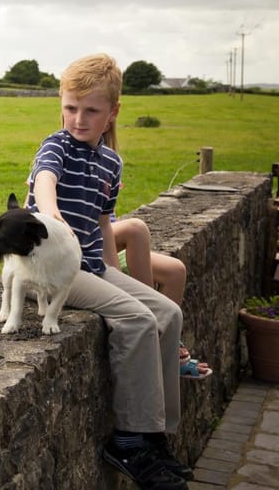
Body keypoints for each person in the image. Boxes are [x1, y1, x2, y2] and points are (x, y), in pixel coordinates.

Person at [26, 53, 192, 490]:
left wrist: (115, 275)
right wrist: (52, 217)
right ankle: (129, 442)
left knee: (167, 315)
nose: (78, 119)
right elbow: (45, 180)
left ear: (113, 112)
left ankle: (157, 435)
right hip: (50, 266)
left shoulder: (111, 164)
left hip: (91, 263)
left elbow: (102, 223)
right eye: (70, 107)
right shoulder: (56, 145)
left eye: (91, 110)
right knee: (135, 319)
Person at [113, 215, 212, 379]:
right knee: (136, 229)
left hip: (113, 241)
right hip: (95, 243)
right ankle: (157, 343)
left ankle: (167, 343)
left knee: (175, 271)